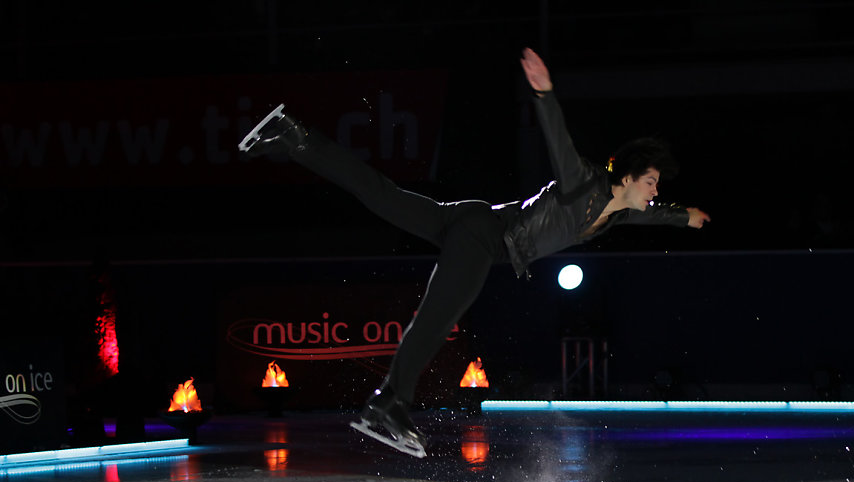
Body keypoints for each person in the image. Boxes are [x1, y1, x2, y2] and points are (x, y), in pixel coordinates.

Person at [238, 48, 710, 457]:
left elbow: (649, 214)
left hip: (473, 221)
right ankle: (389, 402)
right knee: (439, 316)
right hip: (484, 236)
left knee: (382, 194)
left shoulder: (616, 214)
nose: (653, 191)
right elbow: (559, 141)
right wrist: (545, 95)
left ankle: (293, 136)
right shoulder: (583, 182)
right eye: (650, 182)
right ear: (626, 177)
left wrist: (683, 214)